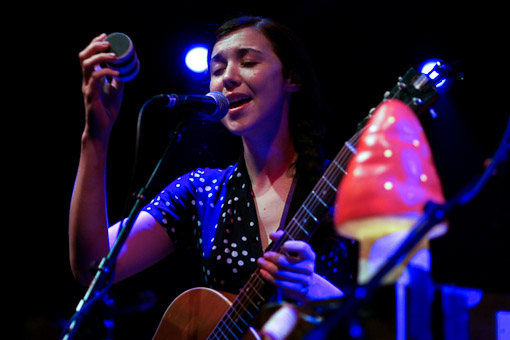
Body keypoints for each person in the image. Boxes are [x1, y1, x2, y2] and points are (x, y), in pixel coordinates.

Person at [69, 15, 356, 330]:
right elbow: (93, 266)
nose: (227, 78)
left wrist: (315, 290)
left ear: (292, 78)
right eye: (217, 70)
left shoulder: (348, 187)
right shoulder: (201, 191)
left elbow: (399, 312)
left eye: (247, 62)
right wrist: (95, 138)